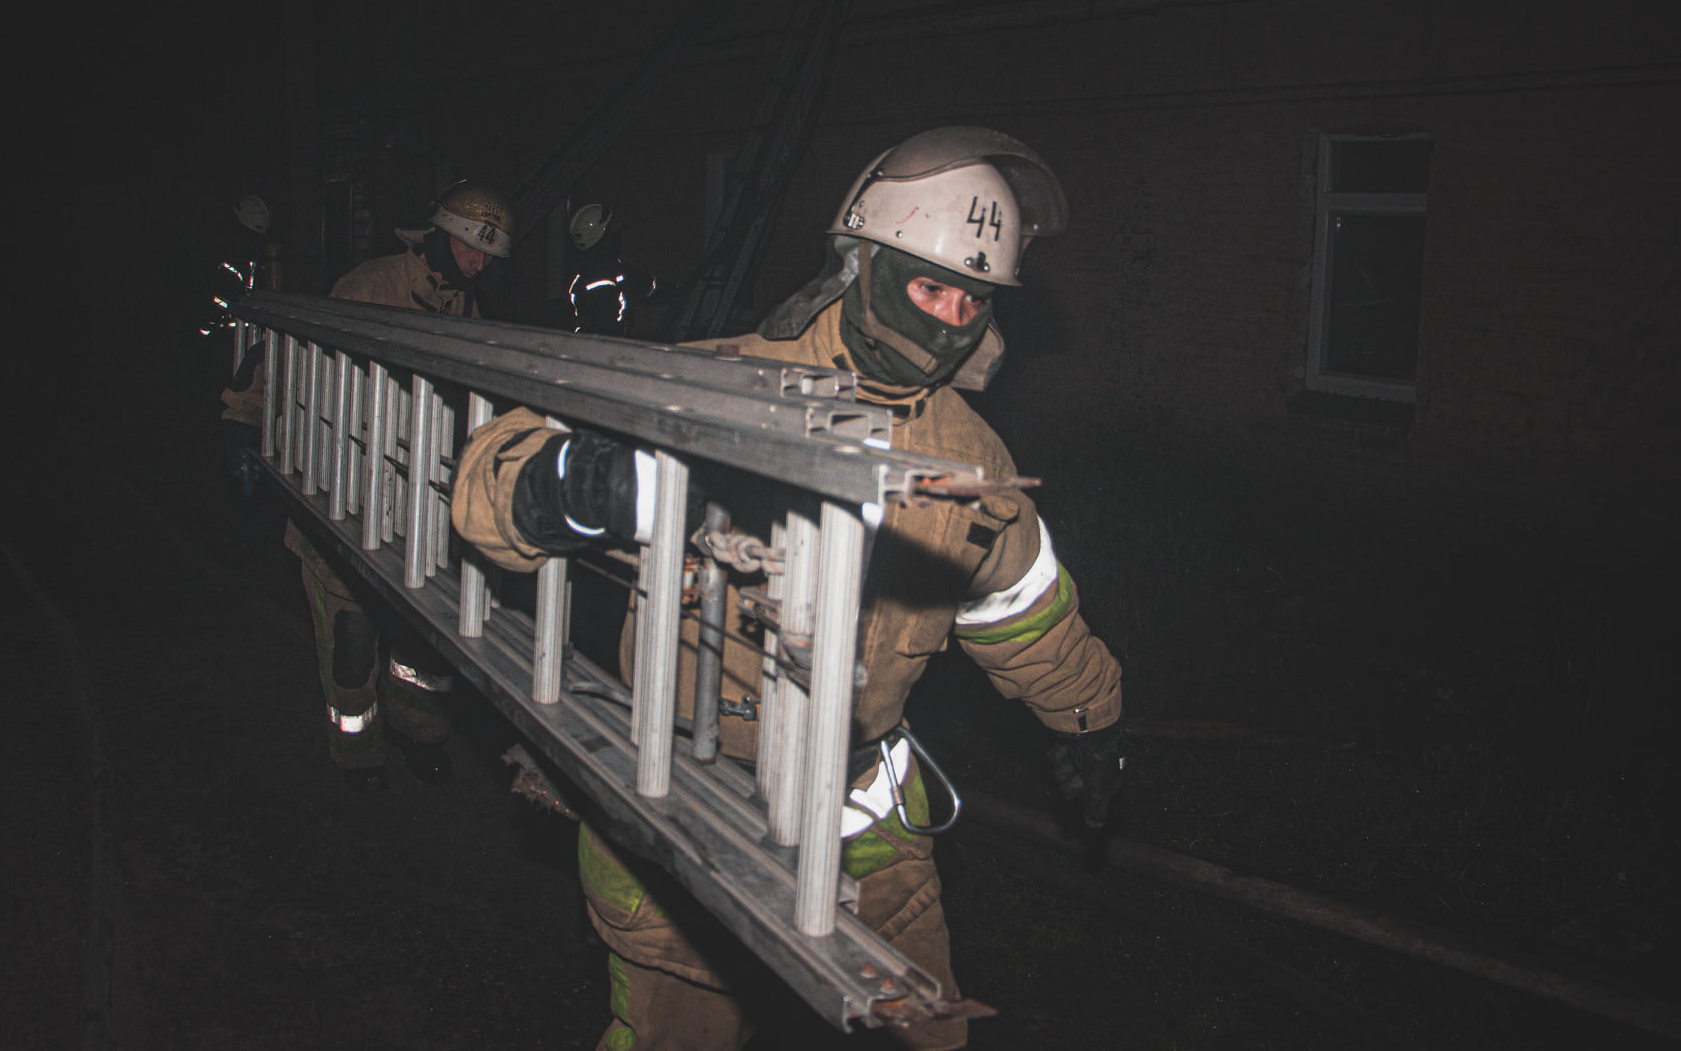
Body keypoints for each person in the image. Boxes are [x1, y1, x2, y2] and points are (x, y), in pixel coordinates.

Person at [450, 128, 1127, 1050]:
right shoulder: (711, 388)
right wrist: (562, 484)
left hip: (866, 817)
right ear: (862, 266)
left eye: (973, 302)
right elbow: (488, 481)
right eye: (930, 287)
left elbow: (1021, 608)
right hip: (682, 805)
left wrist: (1089, 718)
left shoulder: (973, 462)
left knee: (928, 1033)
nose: (949, 322)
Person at [258, 180, 514, 791]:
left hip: (416, 499)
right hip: (345, 489)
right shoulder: (370, 288)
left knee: (421, 639)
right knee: (351, 635)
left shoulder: (463, 305)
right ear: (441, 236)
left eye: (488, 256)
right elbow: (314, 382)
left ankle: (419, 732)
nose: (478, 264)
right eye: (470, 248)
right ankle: (357, 751)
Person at [565, 202, 662, 336]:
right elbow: (606, 330)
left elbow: (647, 286)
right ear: (603, 235)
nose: (617, 232)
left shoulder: (587, 271)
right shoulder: (605, 277)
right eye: (611, 228)